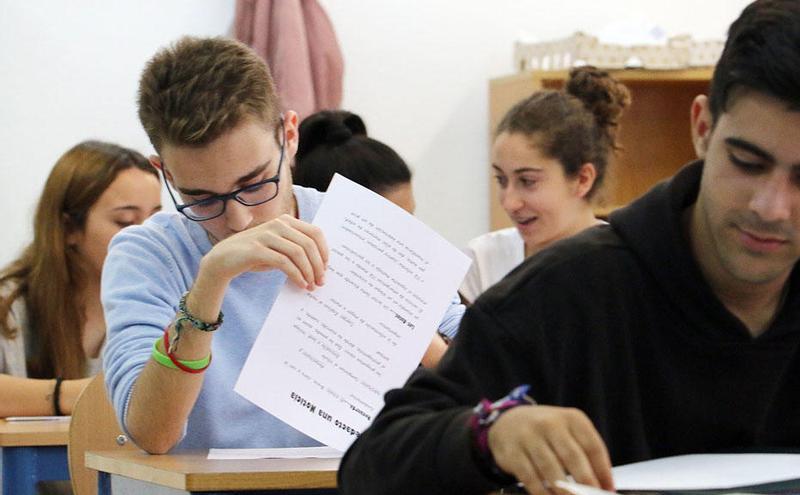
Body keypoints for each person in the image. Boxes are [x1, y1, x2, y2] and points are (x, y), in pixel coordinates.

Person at [338, 1, 800, 494]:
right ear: (703, 128)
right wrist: (489, 434)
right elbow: (372, 466)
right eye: (747, 162)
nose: (771, 206)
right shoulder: (561, 295)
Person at [101, 36, 463, 454]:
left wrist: (410, 333)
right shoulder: (146, 255)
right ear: (163, 171)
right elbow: (151, 433)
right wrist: (210, 283)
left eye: (254, 184)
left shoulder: (365, 225)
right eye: (201, 198)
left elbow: (486, 387)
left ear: (289, 137)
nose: (238, 220)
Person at [0, 141, 161, 417]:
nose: (146, 237)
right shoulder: (10, 302)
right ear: (68, 228)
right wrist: (75, 395)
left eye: (156, 220)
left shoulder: (166, 301)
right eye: (125, 222)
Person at [294, 109, 458, 366]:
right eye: (391, 229)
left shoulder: (423, 279)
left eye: (411, 221)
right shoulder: (299, 309)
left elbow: (463, 329)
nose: (409, 240)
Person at [460, 66, 630, 302]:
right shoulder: (483, 259)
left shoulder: (627, 269)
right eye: (501, 180)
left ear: (582, 179)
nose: (509, 203)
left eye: (527, 181)